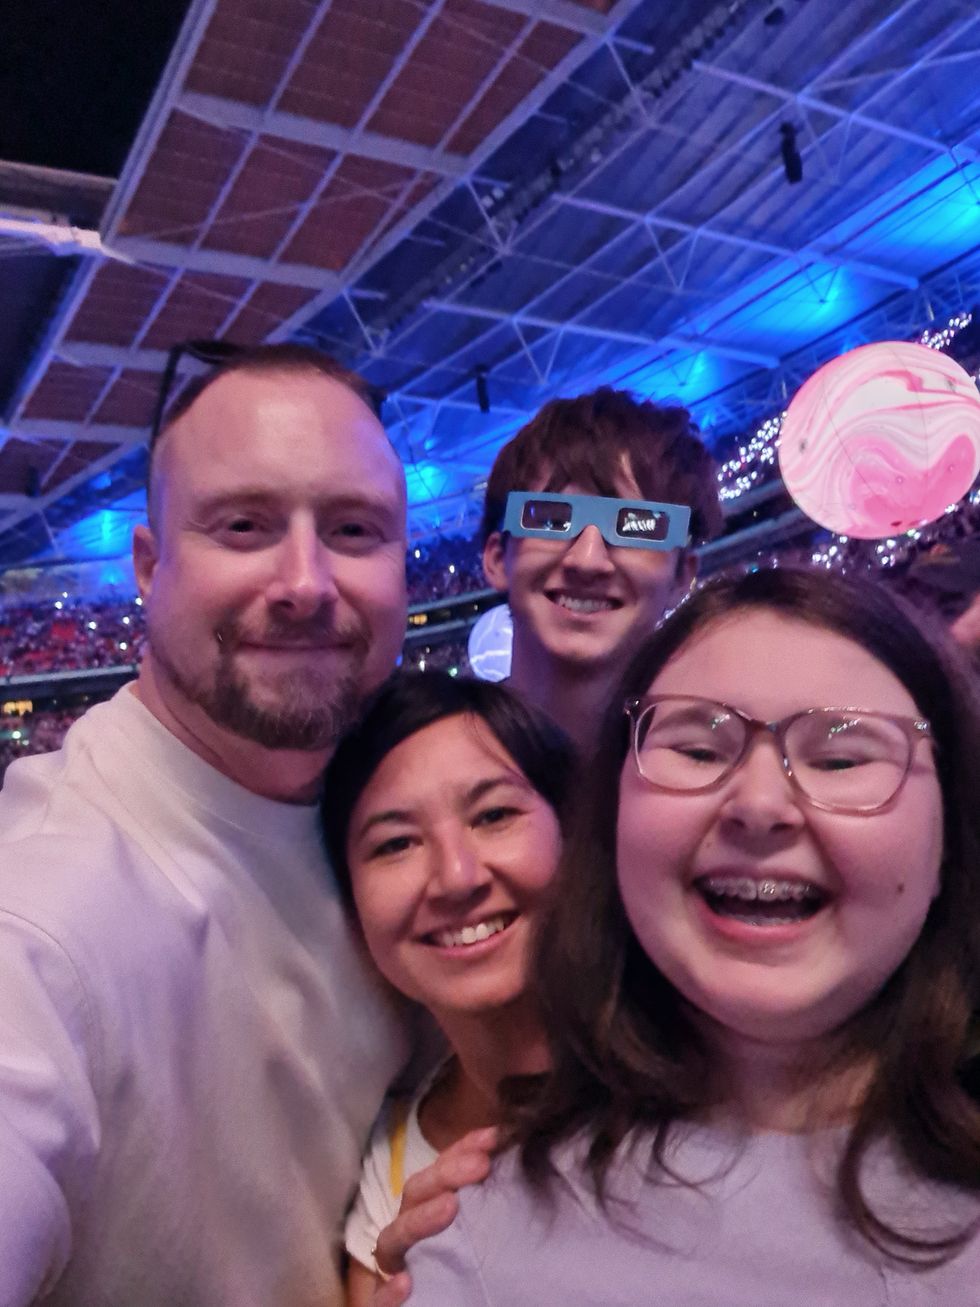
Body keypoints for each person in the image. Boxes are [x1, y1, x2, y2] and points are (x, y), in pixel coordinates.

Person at [407, 566, 980, 1303]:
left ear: (949, 844)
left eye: (840, 757)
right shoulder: (479, 1240)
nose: (760, 804)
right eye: (699, 750)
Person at [0, 344, 423, 1306]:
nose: (307, 582)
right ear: (151, 566)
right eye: (244, 525)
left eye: (354, 529)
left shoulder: (393, 822)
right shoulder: (44, 913)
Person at [319, 671, 575, 1306]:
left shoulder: (717, 1071)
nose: (456, 877)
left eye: (493, 815)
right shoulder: (395, 1191)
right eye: (397, 843)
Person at [480, 387, 723, 753]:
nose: (587, 560)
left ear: (681, 577)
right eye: (550, 520)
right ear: (498, 559)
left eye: (637, 527)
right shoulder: (422, 762)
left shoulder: (715, 774)